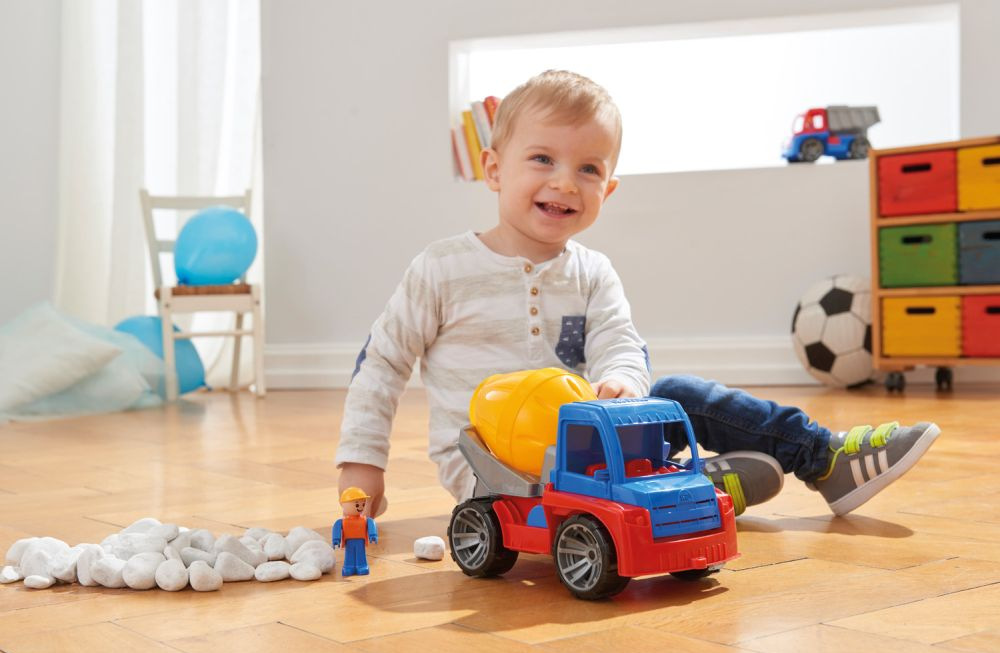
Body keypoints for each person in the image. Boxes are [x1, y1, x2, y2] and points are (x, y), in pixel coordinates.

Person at [335, 69, 939, 519]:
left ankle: (823, 458)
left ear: (609, 189)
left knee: (676, 394)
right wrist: (362, 463)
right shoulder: (441, 268)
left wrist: (623, 381)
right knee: (583, 493)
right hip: (493, 471)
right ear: (494, 169)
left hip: (593, 447)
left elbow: (620, 343)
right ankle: (694, 488)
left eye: (589, 169)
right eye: (542, 158)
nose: (565, 182)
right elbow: (382, 364)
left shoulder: (593, 272)